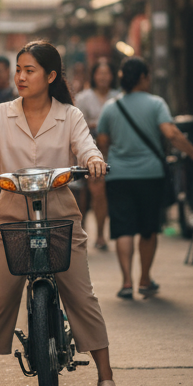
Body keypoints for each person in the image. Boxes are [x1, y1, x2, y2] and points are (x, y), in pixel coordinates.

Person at [0, 40, 120, 386]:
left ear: (51, 76)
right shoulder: (2, 114)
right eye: (19, 69)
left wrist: (94, 160)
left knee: (81, 295)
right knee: (0, 297)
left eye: (29, 70)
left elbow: (85, 147)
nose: (20, 76)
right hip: (13, 216)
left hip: (60, 215)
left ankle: (106, 376)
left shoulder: (70, 115)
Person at [96, 56, 193, 299]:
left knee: (123, 228)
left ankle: (126, 282)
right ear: (144, 78)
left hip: (118, 176)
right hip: (150, 175)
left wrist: (107, 162)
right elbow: (171, 133)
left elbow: (102, 141)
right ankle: (145, 280)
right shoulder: (156, 104)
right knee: (148, 228)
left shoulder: (111, 107)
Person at [73, 58, 120, 250]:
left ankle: (101, 234)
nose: (103, 77)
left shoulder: (118, 96)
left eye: (106, 73)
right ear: (93, 76)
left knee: (100, 193)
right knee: (82, 194)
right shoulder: (83, 97)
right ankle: (82, 231)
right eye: (99, 73)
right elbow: (77, 124)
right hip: (85, 149)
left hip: (110, 151)